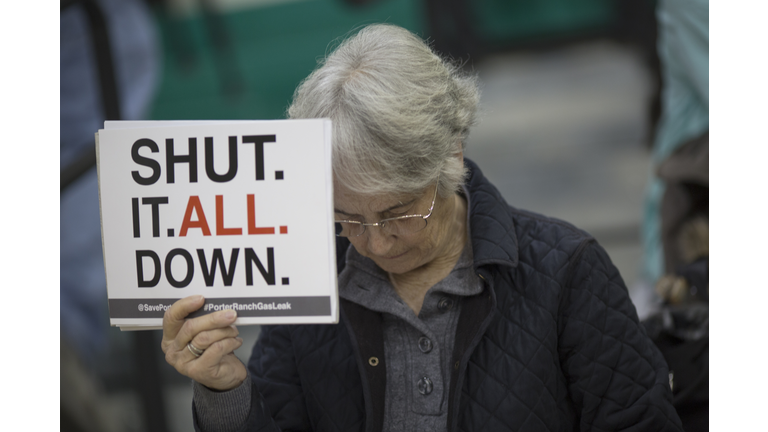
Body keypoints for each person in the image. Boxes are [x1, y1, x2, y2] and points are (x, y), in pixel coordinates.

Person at [161, 24, 683, 432]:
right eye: (346, 218)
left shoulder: (565, 271)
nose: (374, 242)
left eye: (397, 214)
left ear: (450, 157)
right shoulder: (309, 279)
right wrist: (227, 393)